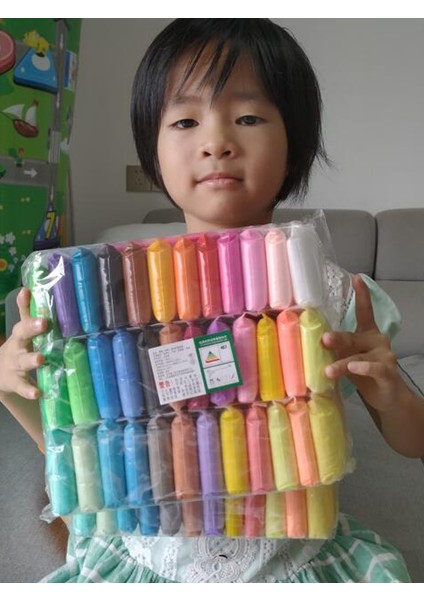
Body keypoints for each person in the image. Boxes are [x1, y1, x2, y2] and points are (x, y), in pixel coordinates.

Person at [1, 18, 424, 583]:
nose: (217, 140)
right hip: (148, 556)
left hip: (292, 556)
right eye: (184, 120)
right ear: (152, 149)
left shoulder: (338, 297)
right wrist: (14, 386)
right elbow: (84, 449)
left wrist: (390, 391)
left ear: (295, 142)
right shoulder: (110, 297)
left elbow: (412, 439)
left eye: (248, 117)